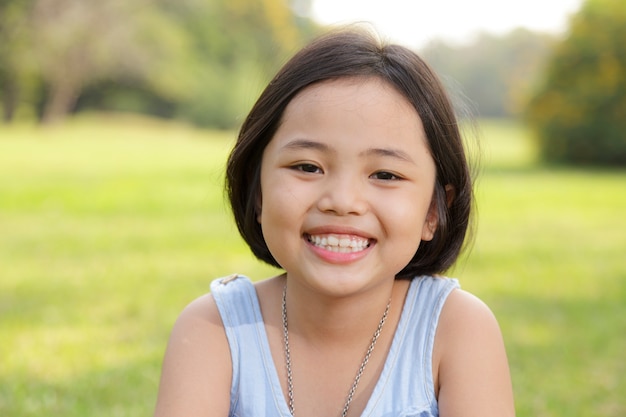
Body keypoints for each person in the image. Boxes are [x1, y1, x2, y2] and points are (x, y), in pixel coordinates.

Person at [154, 27, 515, 417]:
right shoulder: (214, 330)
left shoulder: (456, 330)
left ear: (433, 212)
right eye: (307, 167)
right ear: (257, 191)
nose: (343, 202)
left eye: (385, 175)